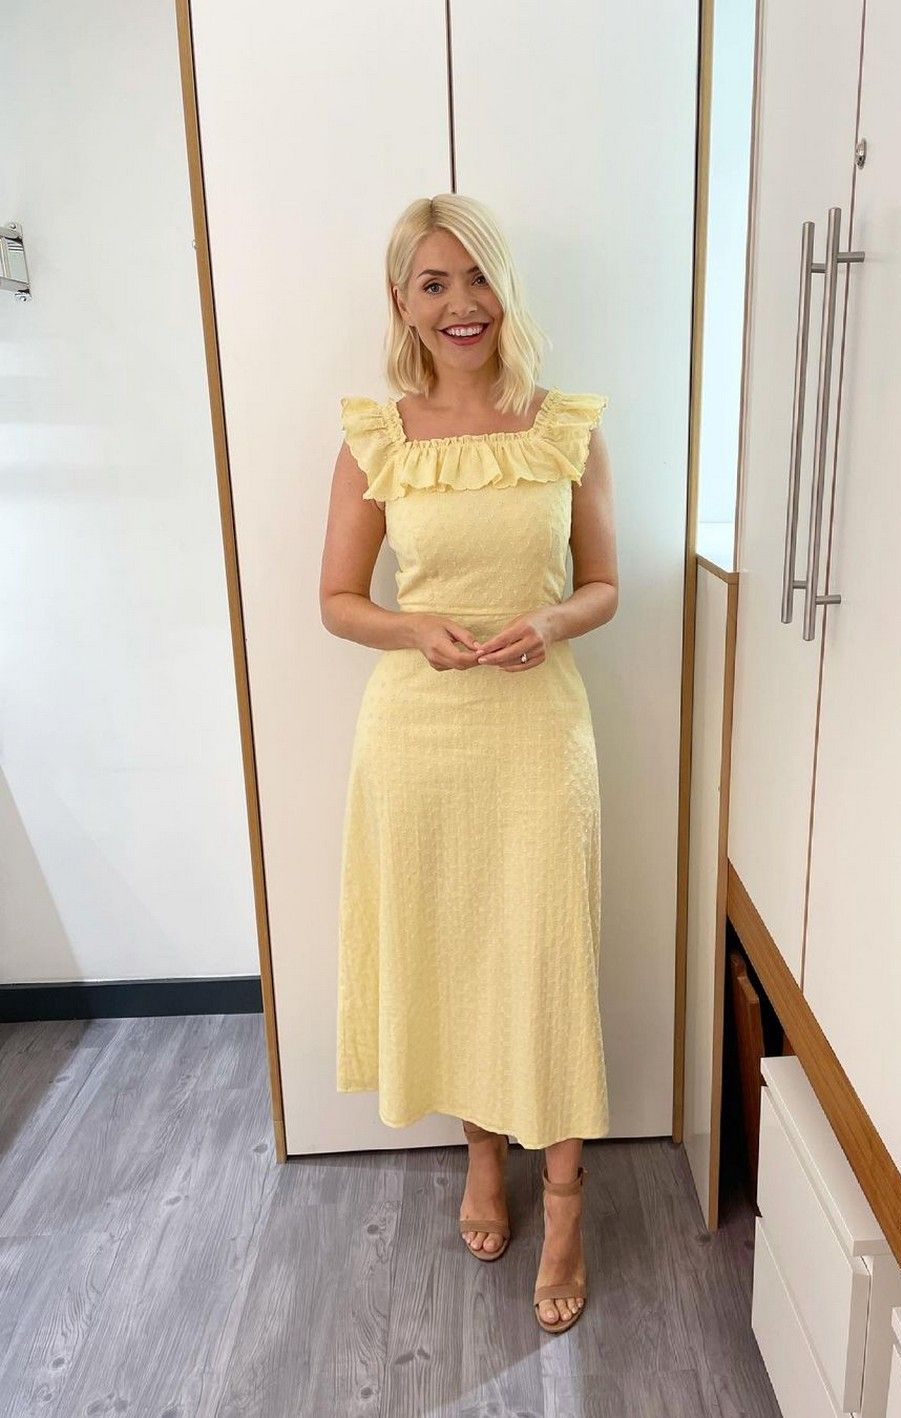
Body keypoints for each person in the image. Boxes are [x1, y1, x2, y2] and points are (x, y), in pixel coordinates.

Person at [319, 193, 618, 1335]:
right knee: (454, 949)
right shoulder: (378, 438)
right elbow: (338, 599)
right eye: (434, 283)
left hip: (538, 725)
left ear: (505, 288)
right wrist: (414, 628)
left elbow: (603, 584)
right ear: (402, 302)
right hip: (420, 735)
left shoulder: (562, 425)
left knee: (547, 955)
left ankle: (567, 1199)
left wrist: (552, 621)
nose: (462, 304)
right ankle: (482, 1157)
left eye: (478, 277)